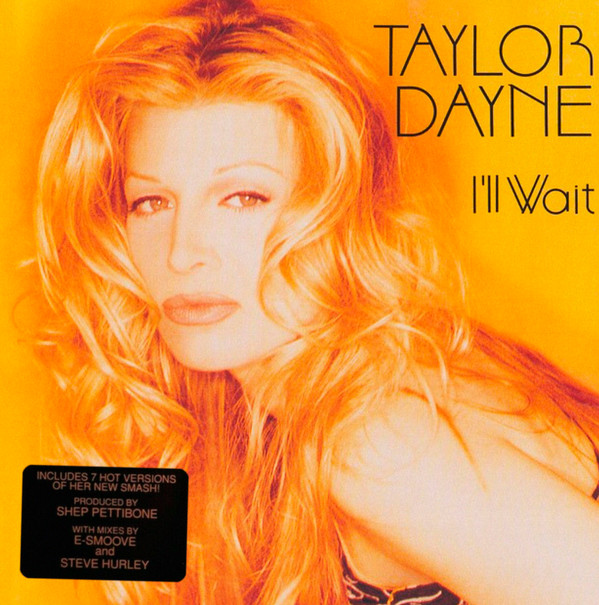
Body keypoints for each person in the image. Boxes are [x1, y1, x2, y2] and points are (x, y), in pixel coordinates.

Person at [33, 0, 599, 603]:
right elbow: (91, 544)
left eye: (243, 198)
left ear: (340, 213)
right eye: (151, 203)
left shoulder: (376, 441)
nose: (182, 253)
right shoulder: (276, 405)